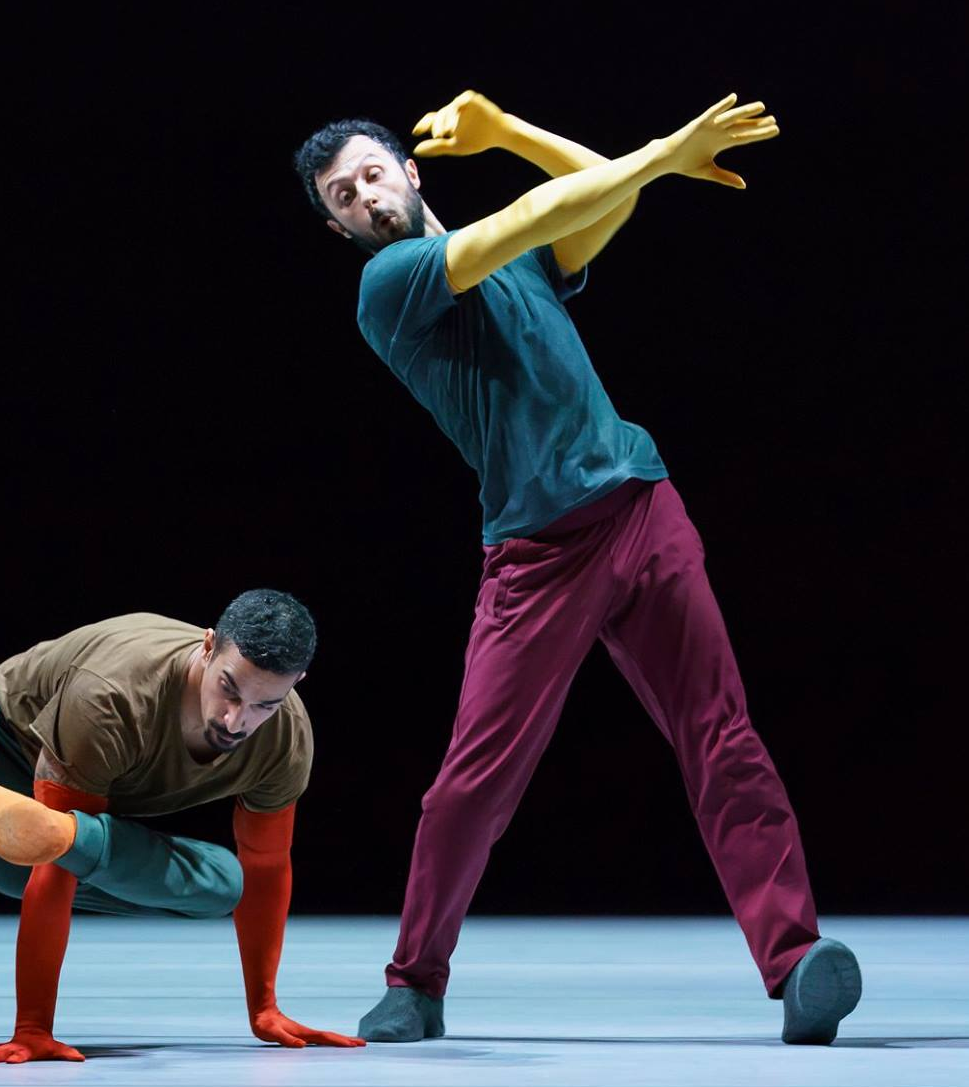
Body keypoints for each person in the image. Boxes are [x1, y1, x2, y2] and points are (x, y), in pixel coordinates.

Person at [293, 90, 861, 1046]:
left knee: (721, 734)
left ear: (410, 172)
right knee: (474, 779)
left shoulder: (517, 264)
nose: (366, 199)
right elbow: (536, 211)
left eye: (373, 175)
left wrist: (508, 132)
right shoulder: (390, 285)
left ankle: (796, 958)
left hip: (640, 506)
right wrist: (665, 150)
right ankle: (415, 981)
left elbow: (596, 194)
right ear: (336, 224)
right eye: (343, 197)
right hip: (536, 553)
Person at [0, 588, 363, 1060]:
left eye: (264, 704)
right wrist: (32, 1028)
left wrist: (264, 1008)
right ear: (208, 647)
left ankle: (61, 833)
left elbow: (268, 865)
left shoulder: (285, 739)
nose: (236, 719)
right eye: (228, 689)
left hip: (65, 836)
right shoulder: (115, 691)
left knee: (228, 883)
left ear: (296, 686)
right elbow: (50, 872)